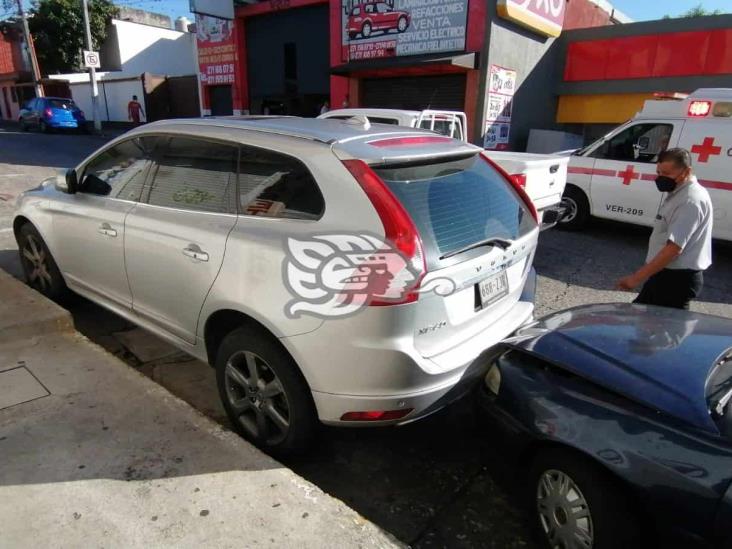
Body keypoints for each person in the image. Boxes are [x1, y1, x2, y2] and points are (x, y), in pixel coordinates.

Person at [616, 148, 713, 310]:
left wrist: (635, 279)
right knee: (640, 322)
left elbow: (674, 249)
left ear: (686, 171)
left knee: (661, 330)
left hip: (676, 282)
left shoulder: (690, 200)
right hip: (664, 275)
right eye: (659, 172)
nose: (660, 178)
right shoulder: (678, 193)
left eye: (667, 173)